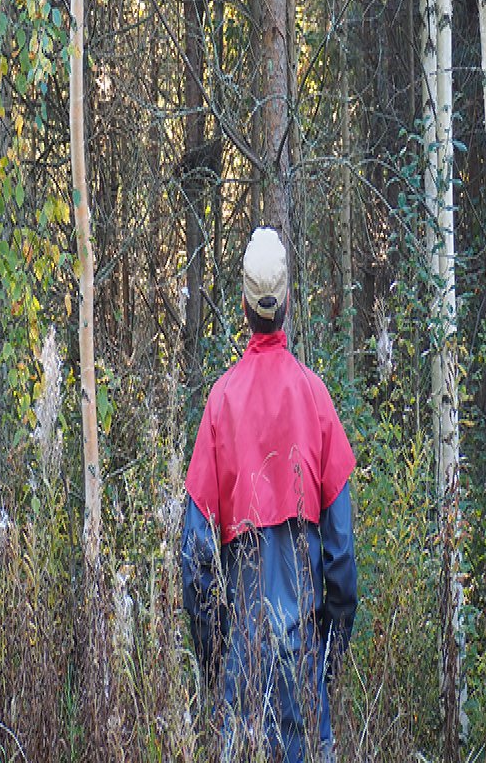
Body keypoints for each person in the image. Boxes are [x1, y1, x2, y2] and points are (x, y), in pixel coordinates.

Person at [180, 226, 358, 762]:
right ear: (288, 305)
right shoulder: (316, 398)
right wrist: (327, 655)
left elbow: (195, 559)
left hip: (243, 668)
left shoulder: (221, 402)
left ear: (243, 306)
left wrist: (218, 657)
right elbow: (343, 555)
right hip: (304, 664)